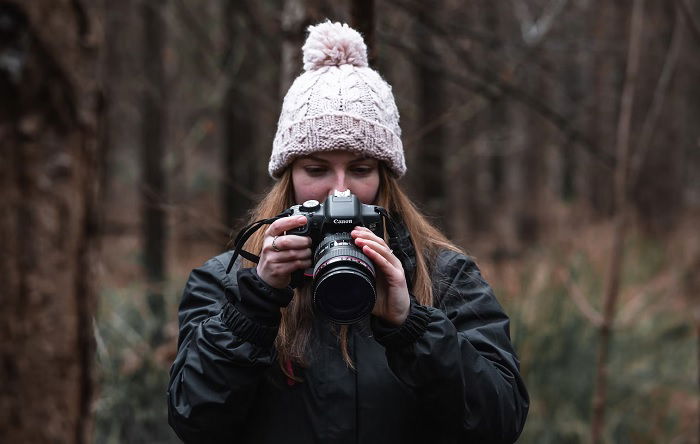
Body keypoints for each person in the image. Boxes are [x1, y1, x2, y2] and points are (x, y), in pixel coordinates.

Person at [167, 21, 528, 444]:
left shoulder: (445, 277)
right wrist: (255, 305)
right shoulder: (228, 281)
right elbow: (195, 420)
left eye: (359, 170)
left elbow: (499, 423)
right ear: (288, 177)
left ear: (385, 176)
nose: (340, 190)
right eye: (316, 169)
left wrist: (411, 324)